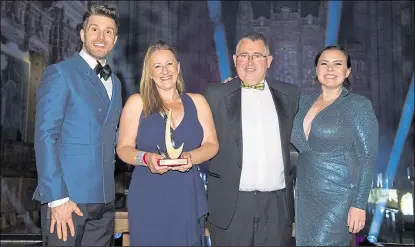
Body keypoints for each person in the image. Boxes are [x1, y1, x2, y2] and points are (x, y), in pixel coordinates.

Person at [33, 5, 121, 246]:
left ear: (115, 40)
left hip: (105, 202)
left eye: (108, 31)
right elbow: (45, 136)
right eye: (94, 29)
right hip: (67, 200)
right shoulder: (60, 73)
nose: (101, 37)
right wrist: (57, 198)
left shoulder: (116, 82)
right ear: (82, 34)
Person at [116, 41, 218, 246]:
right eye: (157, 66)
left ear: (178, 67)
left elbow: (211, 144)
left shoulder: (198, 102)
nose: (165, 71)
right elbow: (123, 149)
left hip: (186, 194)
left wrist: (191, 158)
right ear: (149, 72)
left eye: (169, 64)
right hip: (148, 194)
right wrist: (146, 158)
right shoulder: (137, 102)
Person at [204, 32, 299, 245]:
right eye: (243, 55)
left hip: (277, 207)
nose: (249, 62)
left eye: (256, 56)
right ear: (234, 59)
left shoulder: (290, 95)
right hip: (231, 206)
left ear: (269, 61)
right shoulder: (214, 95)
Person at [290, 45, 378, 246]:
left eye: (337, 64)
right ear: (316, 70)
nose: (330, 69)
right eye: (324, 63)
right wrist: (239, 87)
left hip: (339, 194)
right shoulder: (302, 102)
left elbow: (368, 157)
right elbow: (271, 105)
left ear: (347, 72)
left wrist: (359, 204)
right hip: (305, 193)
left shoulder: (357, 105)